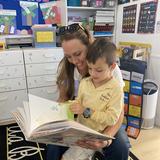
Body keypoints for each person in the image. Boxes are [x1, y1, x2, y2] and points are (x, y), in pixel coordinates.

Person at [46, 23, 130, 160]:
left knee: (120, 147)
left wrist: (106, 140)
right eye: (68, 56)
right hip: (79, 120)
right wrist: (54, 118)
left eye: (78, 54)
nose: (74, 61)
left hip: (106, 120)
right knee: (53, 143)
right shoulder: (68, 69)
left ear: (89, 47)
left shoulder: (111, 71)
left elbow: (118, 113)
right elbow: (62, 99)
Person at [61, 38, 124, 160]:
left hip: (95, 135)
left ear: (112, 67)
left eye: (99, 70)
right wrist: (69, 106)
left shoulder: (115, 89)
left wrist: (86, 111)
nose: (93, 74)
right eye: (90, 68)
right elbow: (79, 102)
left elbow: (112, 119)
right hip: (80, 129)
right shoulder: (85, 82)